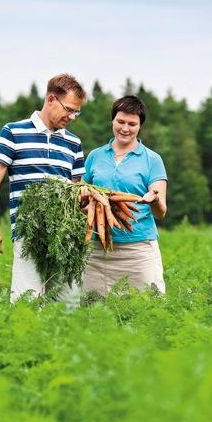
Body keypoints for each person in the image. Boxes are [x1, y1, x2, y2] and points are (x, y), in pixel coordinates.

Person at [0, 73, 87, 303]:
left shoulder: (74, 143)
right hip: (28, 236)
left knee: (67, 310)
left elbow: (78, 191)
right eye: (69, 109)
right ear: (51, 99)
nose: (72, 117)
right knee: (25, 308)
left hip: (65, 239)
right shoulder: (13, 132)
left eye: (76, 112)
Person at [82, 95, 168, 296]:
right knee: (93, 312)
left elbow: (161, 212)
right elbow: (81, 199)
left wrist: (153, 198)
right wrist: (89, 200)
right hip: (98, 248)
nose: (125, 128)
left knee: (146, 308)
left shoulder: (152, 160)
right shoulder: (95, 156)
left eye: (132, 124)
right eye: (120, 121)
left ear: (140, 126)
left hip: (138, 249)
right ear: (112, 120)